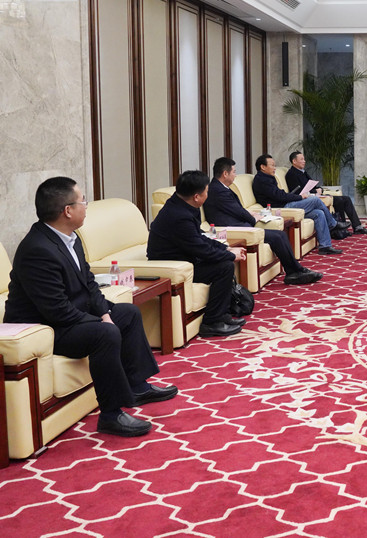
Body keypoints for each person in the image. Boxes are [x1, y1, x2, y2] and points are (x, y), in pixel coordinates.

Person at [5, 177, 177, 437]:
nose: (86, 206)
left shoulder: (70, 238)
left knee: (127, 313)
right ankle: (111, 415)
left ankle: (138, 387)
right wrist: (101, 322)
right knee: (106, 333)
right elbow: (56, 311)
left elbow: (89, 283)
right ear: (68, 210)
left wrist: (105, 313)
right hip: (44, 329)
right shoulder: (37, 250)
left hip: (67, 316)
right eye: (83, 201)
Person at [148, 170, 246, 338]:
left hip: (186, 258)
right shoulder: (179, 216)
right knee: (224, 267)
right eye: (206, 191)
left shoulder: (182, 205)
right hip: (174, 265)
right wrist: (230, 256)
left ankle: (222, 315)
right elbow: (201, 249)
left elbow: (199, 237)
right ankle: (212, 322)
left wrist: (226, 249)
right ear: (196, 196)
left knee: (224, 263)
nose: (208, 195)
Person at [204, 157, 322, 285]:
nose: (235, 175)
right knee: (277, 237)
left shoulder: (222, 188)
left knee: (280, 235)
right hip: (232, 229)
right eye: (234, 172)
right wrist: (253, 218)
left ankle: (295, 271)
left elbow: (236, 209)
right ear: (225, 174)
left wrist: (251, 213)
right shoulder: (217, 190)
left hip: (240, 225)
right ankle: (295, 272)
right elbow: (237, 211)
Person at [252, 154, 342, 255]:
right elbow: (279, 196)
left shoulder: (267, 178)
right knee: (315, 200)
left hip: (284, 204)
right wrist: (300, 197)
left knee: (318, 213)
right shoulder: (262, 180)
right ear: (263, 167)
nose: (275, 168)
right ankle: (333, 224)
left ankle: (325, 246)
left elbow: (280, 194)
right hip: (280, 208)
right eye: (272, 165)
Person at [286, 151, 367, 235]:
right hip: (308, 199)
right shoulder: (291, 174)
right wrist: (315, 191)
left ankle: (356, 227)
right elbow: (298, 192)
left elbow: (312, 185)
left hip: (316, 195)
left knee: (346, 199)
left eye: (304, 159)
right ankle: (342, 230)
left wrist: (319, 189)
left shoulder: (303, 172)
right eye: (301, 159)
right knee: (341, 200)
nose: (304, 161)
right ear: (294, 161)